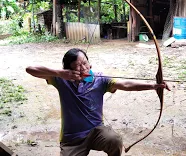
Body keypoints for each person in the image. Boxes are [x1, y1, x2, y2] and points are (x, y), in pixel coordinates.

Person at [26, 48, 170, 156]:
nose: (84, 68)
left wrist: (153, 86)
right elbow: (30, 69)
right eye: (78, 66)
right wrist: (59, 73)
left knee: (114, 140)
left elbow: (125, 84)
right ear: (69, 70)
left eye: (85, 63)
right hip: (72, 138)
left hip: (96, 131)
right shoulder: (62, 80)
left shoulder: (100, 80)